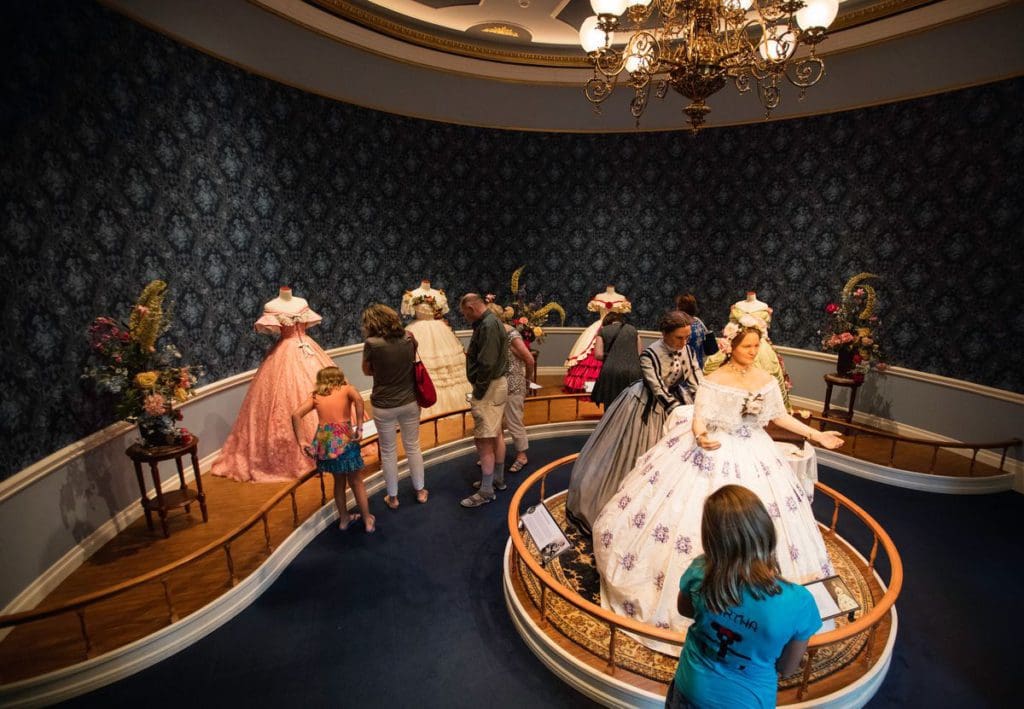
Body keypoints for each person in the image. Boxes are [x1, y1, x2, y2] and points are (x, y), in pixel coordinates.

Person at [593, 325, 842, 655]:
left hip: (756, 452)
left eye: (758, 345)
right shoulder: (716, 378)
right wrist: (698, 436)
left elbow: (779, 416)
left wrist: (816, 436)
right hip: (714, 448)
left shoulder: (764, 379)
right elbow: (700, 416)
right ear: (732, 347)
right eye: (748, 346)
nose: (754, 351)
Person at [665, 486, 823, 708]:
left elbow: (685, 610)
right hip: (748, 700)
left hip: (691, 688)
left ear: (711, 538)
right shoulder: (799, 602)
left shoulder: (700, 570)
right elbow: (787, 669)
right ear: (765, 530)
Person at [566, 310, 703, 533]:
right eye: (679, 337)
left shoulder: (686, 349)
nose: (684, 342)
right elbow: (658, 389)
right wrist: (682, 413)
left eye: (686, 337)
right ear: (665, 334)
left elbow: (696, 379)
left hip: (675, 403)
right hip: (644, 407)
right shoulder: (650, 354)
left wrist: (704, 402)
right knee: (629, 457)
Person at [212, 287, 335, 482]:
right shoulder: (272, 306)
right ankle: (294, 454)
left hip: (309, 350)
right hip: (285, 354)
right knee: (282, 401)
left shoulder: (301, 302)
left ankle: (333, 447)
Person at [291, 366, 374, 533]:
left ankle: (344, 518)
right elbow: (359, 400)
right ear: (339, 377)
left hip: (326, 440)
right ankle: (367, 519)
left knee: (339, 482)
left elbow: (295, 415)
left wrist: (301, 441)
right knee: (356, 481)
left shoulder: (316, 396)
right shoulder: (347, 389)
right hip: (344, 438)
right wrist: (359, 426)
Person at [362, 303, 428, 510]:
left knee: (389, 451)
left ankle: (393, 497)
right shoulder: (409, 337)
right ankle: (420, 491)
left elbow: (367, 371)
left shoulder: (371, 344)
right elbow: (411, 359)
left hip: (383, 404)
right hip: (409, 401)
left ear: (372, 323)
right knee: (413, 446)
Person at [459, 293, 509, 508]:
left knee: (483, 441)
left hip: (488, 388)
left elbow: (486, 364)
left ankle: (487, 491)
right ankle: (497, 479)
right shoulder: (492, 321)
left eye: (464, 313)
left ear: (471, 307)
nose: (465, 317)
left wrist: (478, 392)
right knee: (496, 433)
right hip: (496, 385)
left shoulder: (487, 325)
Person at [704, 291, 791, 411]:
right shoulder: (737, 306)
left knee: (764, 374)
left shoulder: (763, 307)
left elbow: (764, 331)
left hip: (759, 342)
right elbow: (731, 325)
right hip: (737, 342)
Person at [400, 279, 473, 417]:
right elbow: (406, 312)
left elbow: (442, 311)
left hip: (439, 329)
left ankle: (455, 402)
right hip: (420, 329)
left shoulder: (439, 294)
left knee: (447, 366)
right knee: (423, 365)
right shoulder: (412, 295)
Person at [491, 303, 535, 475]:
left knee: (514, 420)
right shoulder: (491, 333)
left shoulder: (510, 333)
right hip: (496, 384)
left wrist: (528, 380)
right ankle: (496, 453)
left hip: (513, 383)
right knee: (495, 422)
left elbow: (529, 360)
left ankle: (522, 456)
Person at [563, 286, 632, 392]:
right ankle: (589, 387)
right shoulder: (599, 297)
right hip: (600, 325)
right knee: (589, 351)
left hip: (616, 326)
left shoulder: (621, 298)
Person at [589, 311, 643, 408]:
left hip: (611, 372)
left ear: (607, 321)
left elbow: (598, 354)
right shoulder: (633, 330)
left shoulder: (603, 331)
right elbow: (639, 354)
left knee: (611, 405)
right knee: (631, 404)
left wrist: (611, 356)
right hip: (633, 371)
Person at [675, 293, 714, 370]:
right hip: (698, 366)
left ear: (680, 308)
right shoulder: (698, 321)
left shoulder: (681, 326)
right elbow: (708, 348)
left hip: (684, 369)